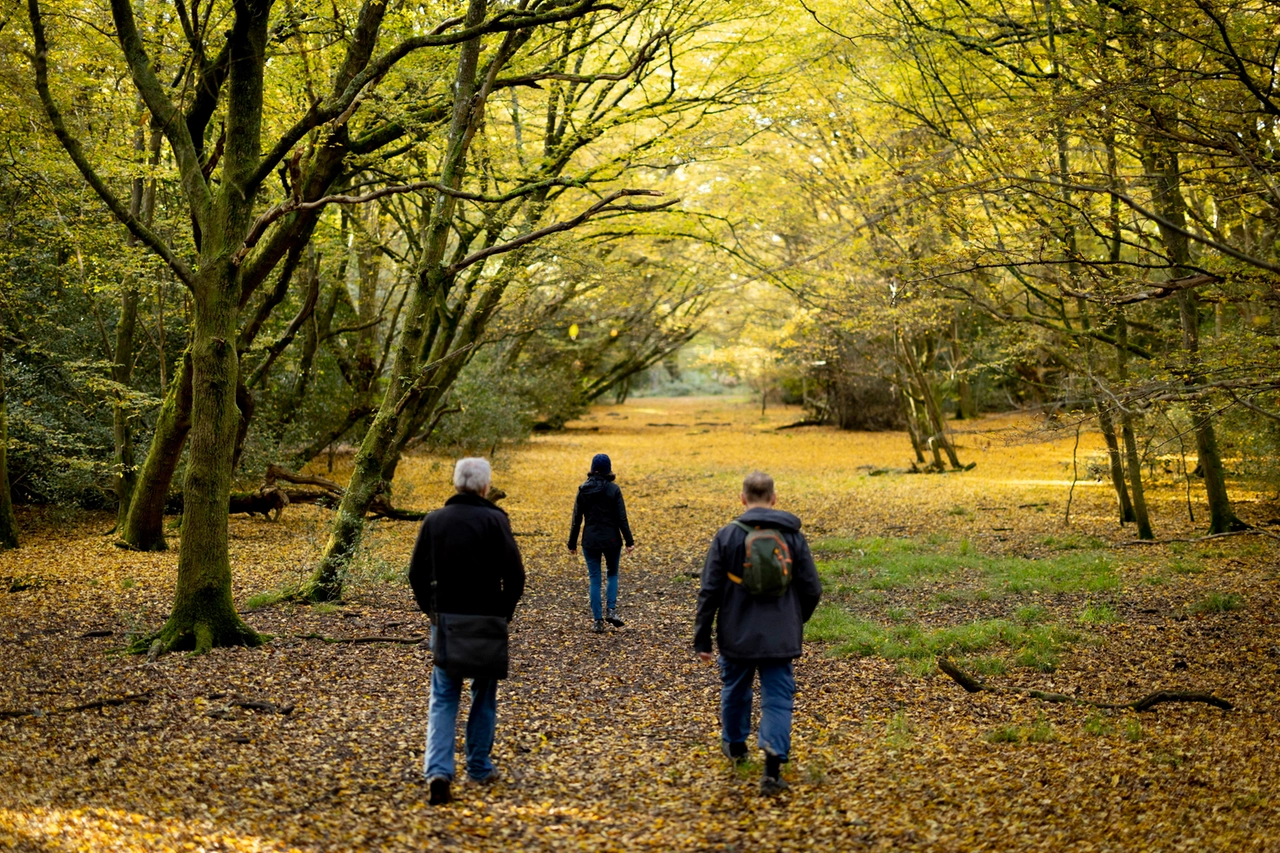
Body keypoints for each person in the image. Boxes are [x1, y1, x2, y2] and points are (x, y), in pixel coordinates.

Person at [693, 471, 822, 795]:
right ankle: (772, 770)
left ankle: (736, 748)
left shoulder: (727, 536)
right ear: (775, 499)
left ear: (743, 499)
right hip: (781, 634)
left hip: (736, 633)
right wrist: (796, 620)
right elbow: (812, 589)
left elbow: (709, 591)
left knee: (735, 690)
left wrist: (702, 638)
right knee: (778, 698)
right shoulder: (792, 537)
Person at [409, 457, 525, 806]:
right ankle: (478, 766)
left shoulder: (435, 521)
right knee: (483, 695)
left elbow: (416, 574)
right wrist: (504, 611)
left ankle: (439, 771)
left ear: (456, 484)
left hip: (446, 621)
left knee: (444, 698)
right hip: (487, 622)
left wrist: (431, 611)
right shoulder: (496, 520)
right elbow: (516, 576)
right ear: (485, 487)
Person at [567, 453, 635, 633]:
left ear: (592, 469)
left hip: (590, 540)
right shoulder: (614, 490)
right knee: (612, 573)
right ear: (608, 470)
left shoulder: (582, 489)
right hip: (612, 539)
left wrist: (572, 543)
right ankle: (611, 610)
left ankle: (597, 621)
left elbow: (577, 519)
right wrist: (629, 541)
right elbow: (622, 518)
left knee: (594, 579)